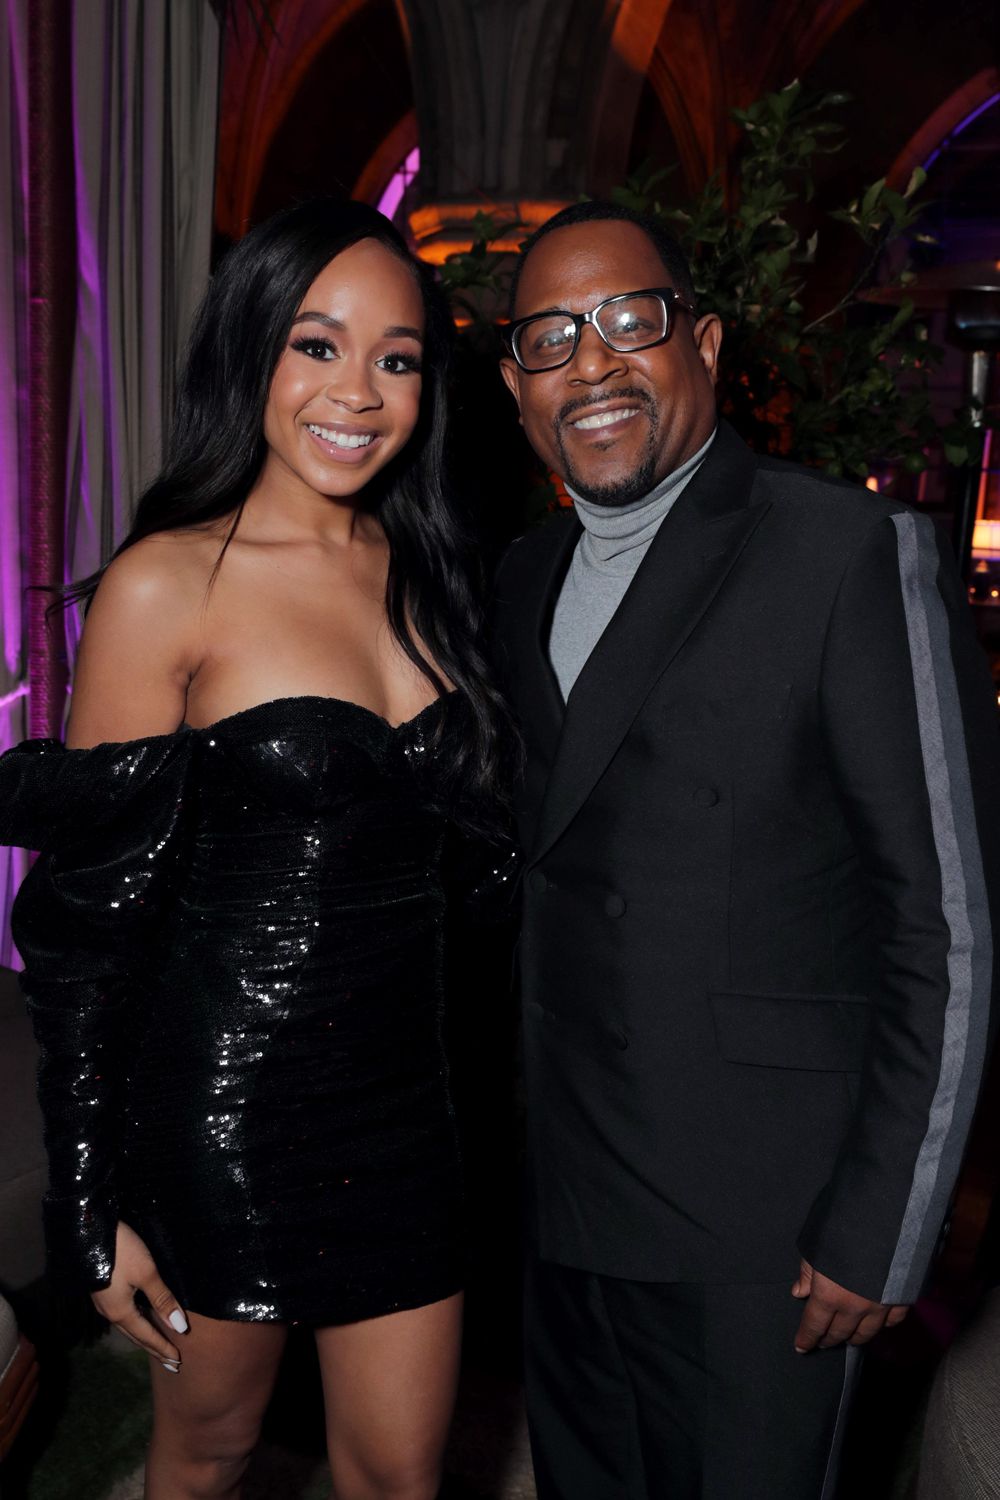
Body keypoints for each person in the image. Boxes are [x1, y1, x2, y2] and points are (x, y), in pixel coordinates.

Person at [0, 199, 514, 1500]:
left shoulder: (436, 573)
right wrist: (84, 1192)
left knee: (401, 1477)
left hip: (414, 1116)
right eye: (317, 345)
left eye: (396, 357)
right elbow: (87, 924)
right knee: (206, 1459)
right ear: (251, 355)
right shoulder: (170, 582)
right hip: (225, 1118)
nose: (360, 390)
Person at [492, 199, 999, 1500]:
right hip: (563, 1209)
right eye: (551, 336)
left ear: (705, 343)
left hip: (764, 1234)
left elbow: (944, 919)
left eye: (628, 320)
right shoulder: (517, 576)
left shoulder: (842, 551)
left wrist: (883, 1231)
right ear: (515, 384)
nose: (591, 362)